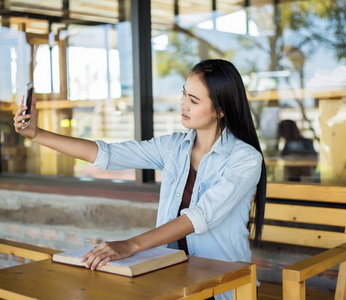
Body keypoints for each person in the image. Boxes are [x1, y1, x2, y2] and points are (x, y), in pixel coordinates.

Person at [14, 59, 266, 300]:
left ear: (220, 110)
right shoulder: (173, 147)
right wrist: (36, 134)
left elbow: (199, 216)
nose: (183, 104)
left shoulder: (245, 159)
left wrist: (131, 245)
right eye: (183, 94)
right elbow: (107, 154)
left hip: (224, 286)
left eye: (194, 100)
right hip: (174, 279)